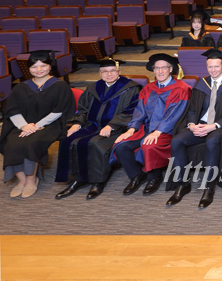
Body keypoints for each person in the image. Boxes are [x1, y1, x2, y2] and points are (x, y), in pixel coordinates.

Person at [166, 49, 222, 208]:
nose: (213, 70)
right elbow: (192, 109)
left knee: (212, 140)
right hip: (201, 124)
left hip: (221, 126)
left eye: (216, 66)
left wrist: (213, 126)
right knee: (177, 141)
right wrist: (192, 125)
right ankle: (182, 183)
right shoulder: (202, 84)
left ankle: (209, 186)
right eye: (210, 67)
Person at [54, 59, 141, 200]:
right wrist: (77, 124)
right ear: (100, 73)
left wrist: (112, 125)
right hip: (92, 125)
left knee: (96, 143)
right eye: (105, 71)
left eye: (112, 71)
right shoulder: (93, 88)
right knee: (68, 141)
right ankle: (78, 179)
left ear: (119, 72)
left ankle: (97, 182)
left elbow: (131, 111)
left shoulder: (130, 88)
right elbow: (83, 108)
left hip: (118, 128)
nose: (109, 74)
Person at [112, 54, 191, 197]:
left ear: (170, 69)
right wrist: (131, 129)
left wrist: (158, 131)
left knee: (148, 146)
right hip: (147, 128)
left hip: (169, 131)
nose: (160, 71)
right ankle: (136, 175)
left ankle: (154, 177)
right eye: (157, 68)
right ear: (153, 70)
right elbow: (140, 111)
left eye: (163, 68)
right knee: (121, 145)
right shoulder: (148, 88)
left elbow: (174, 115)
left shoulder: (181, 88)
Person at [0, 51, 75, 198]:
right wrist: (24, 126)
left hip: (50, 124)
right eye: (34, 67)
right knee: (12, 143)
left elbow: (60, 110)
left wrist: (36, 126)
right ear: (28, 68)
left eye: (43, 66)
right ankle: (21, 180)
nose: (39, 70)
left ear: (50, 66)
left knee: (31, 143)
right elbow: (12, 109)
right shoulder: (21, 87)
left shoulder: (60, 86)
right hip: (23, 125)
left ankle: (31, 179)